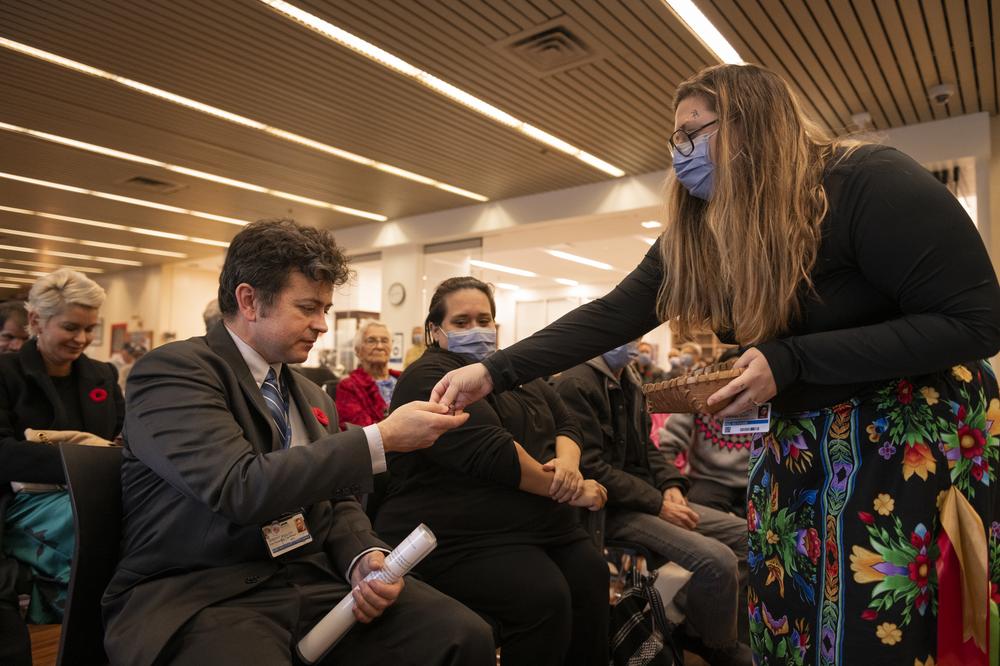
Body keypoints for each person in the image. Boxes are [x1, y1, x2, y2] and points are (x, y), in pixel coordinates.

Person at [429, 63, 1000, 665]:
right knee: (789, 609)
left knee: (879, 624)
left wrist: (791, 358)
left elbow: (975, 321)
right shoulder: (706, 227)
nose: (681, 153)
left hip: (905, 440)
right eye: (675, 138)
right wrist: (494, 371)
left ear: (753, 125)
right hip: (805, 441)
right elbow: (612, 314)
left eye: (694, 132)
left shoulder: (865, 182)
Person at [102, 220, 494, 666]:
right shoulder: (174, 372)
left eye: (325, 308)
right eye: (308, 307)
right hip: (204, 592)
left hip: (306, 578)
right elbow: (238, 487)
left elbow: (337, 499)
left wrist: (362, 556)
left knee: (462, 635)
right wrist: (379, 438)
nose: (322, 325)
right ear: (249, 300)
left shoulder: (307, 393)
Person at [374, 276, 610, 666]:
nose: (476, 330)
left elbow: (567, 423)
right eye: (461, 322)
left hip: (530, 520)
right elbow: (491, 453)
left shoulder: (508, 370)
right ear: (436, 330)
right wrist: (571, 490)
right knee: (544, 596)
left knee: (591, 573)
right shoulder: (429, 375)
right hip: (455, 531)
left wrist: (569, 468)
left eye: (483, 319)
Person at [555, 342, 750, 665]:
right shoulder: (575, 383)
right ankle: (715, 644)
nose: (634, 343)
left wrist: (671, 485)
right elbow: (592, 468)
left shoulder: (628, 378)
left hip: (644, 497)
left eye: (637, 336)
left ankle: (684, 623)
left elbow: (648, 447)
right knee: (717, 560)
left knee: (747, 536)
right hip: (608, 509)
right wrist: (658, 501)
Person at [0, 269, 123, 664]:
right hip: (23, 507)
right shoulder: (5, 375)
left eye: (90, 329)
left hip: (92, 499)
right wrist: (86, 458)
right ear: (36, 320)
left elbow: (124, 439)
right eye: (71, 327)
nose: (83, 340)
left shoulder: (103, 375)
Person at [658, 348, 751, 517]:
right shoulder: (699, 399)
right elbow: (669, 442)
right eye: (731, 372)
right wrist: (669, 482)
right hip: (708, 478)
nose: (736, 380)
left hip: (754, 480)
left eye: (744, 373)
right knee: (700, 516)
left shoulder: (765, 401)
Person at [335, 320, 400, 429]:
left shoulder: (404, 378)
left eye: (384, 341)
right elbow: (358, 431)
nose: (379, 346)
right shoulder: (348, 387)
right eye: (371, 341)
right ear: (357, 350)